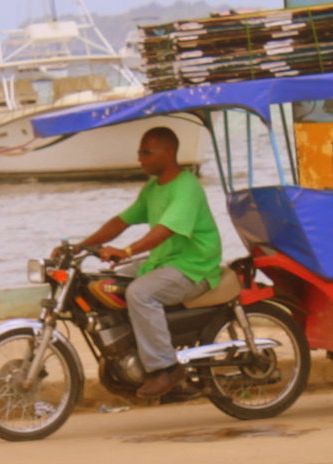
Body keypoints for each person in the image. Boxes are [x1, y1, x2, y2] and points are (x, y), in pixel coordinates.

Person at [73, 126, 222, 398]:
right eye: (140, 152)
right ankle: (128, 357)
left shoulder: (186, 187)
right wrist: (81, 246)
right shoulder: (154, 188)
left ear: (169, 153)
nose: (140, 159)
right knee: (106, 284)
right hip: (163, 261)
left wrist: (126, 251)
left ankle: (166, 369)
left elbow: (165, 229)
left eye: (146, 153)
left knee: (140, 293)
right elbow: (121, 221)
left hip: (194, 266)